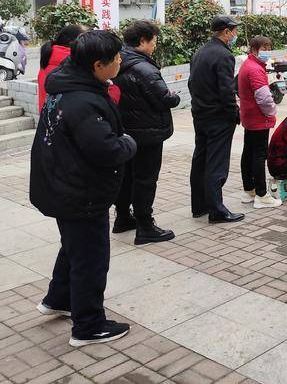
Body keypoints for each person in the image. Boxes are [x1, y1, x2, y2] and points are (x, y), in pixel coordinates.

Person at [30, 30, 137, 347]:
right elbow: (106, 149)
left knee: (74, 248)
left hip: (63, 184)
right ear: (97, 65)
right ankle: (88, 326)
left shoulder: (68, 86)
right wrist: (128, 142)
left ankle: (59, 299)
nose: (120, 62)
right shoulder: (82, 101)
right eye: (115, 58)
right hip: (80, 192)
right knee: (90, 258)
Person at [113, 20, 180, 244]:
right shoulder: (144, 68)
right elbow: (165, 98)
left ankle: (123, 217)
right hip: (147, 133)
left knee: (127, 177)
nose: (155, 45)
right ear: (142, 41)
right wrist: (174, 96)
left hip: (126, 131)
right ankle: (145, 226)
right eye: (154, 41)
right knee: (145, 179)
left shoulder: (118, 61)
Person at [188, 15, 243, 223]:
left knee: (200, 160)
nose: (236, 34)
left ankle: (199, 206)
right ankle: (217, 210)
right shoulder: (224, 55)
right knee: (216, 164)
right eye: (234, 31)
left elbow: (192, 83)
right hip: (218, 117)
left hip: (200, 114)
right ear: (226, 31)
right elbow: (226, 90)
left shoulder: (200, 51)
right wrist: (233, 113)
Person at [237, 35, 281, 209]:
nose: (267, 52)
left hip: (249, 117)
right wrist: (272, 113)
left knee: (248, 152)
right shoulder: (255, 69)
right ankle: (261, 195)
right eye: (264, 49)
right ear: (254, 49)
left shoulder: (247, 65)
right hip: (258, 118)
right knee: (258, 155)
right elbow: (263, 98)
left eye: (269, 48)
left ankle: (249, 190)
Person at [38, 25, 85, 111]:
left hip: (47, 115)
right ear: (73, 42)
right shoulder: (75, 63)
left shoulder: (48, 57)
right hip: (66, 116)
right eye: (85, 39)